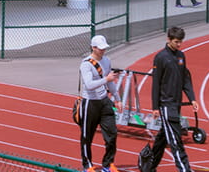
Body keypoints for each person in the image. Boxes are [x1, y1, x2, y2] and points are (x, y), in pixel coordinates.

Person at [136, 27, 196, 172]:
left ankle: (149, 166)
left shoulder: (181, 56)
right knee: (175, 140)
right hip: (165, 104)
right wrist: (155, 107)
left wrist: (192, 98)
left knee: (163, 137)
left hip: (176, 103)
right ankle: (184, 169)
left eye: (181, 42)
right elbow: (155, 84)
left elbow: (185, 79)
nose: (179, 45)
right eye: (176, 42)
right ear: (168, 39)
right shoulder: (161, 57)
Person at [76, 35, 122, 171]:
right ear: (93, 48)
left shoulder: (107, 61)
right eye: (100, 48)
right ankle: (87, 165)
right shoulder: (86, 64)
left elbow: (110, 81)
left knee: (112, 133)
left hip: (104, 102)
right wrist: (106, 79)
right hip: (90, 103)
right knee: (87, 136)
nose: (103, 51)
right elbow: (89, 85)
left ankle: (108, 164)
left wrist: (117, 99)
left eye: (104, 48)